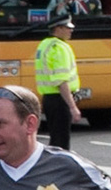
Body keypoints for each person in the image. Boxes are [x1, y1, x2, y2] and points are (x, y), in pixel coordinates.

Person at [34, 13, 83, 150]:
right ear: (58, 28)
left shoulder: (44, 44)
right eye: (67, 27)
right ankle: (59, 168)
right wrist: (73, 107)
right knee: (61, 142)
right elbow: (61, 81)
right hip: (60, 100)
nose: (71, 30)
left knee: (56, 138)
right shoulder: (59, 48)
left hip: (49, 99)